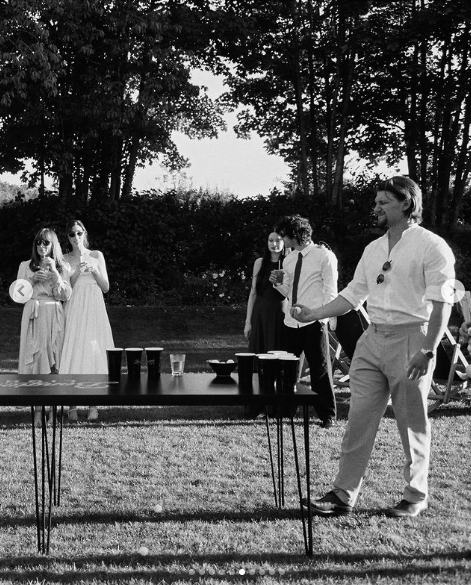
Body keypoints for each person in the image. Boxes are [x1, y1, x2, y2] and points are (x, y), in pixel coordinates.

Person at [292, 176, 455, 517]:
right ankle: (342, 495)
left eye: (384, 202)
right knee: (359, 420)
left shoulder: (432, 246)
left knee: (411, 421)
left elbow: (442, 305)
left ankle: (414, 496)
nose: (376, 207)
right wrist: (315, 313)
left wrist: (427, 351)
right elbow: (353, 295)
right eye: (377, 201)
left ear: (406, 204)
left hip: (412, 339)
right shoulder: (373, 248)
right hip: (372, 339)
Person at [270, 215, 338, 428]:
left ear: (294, 234)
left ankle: (327, 415)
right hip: (291, 322)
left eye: (284, 235)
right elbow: (287, 291)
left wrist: (322, 318)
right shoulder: (289, 259)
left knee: (320, 369)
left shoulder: (324, 256)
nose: (282, 239)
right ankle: (287, 411)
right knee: (287, 369)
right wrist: (277, 283)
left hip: (314, 322)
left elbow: (331, 291)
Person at [60, 220, 115, 421]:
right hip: (74, 307)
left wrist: (94, 270)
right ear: (67, 238)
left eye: (79, 233)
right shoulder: (64, 259)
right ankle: (72, 405)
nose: (76, 238)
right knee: (74, 349)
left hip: (94, 307)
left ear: (85, 233)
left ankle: (93, 403)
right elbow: (64, 291)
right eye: (72, 234)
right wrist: (76, 273)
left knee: (94, 350)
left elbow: (106, 287)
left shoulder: (96, 255)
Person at [17, 228, 72, 426]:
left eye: (46, 243)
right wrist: (32, 280)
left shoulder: (63, 266)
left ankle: (52, 411)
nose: (42, 247)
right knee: (36, 360)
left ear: (53, 245)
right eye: (39, 243)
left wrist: (55, 274)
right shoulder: (25, 266)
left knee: (54, 358)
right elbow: (17, 296)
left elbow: (66, 296)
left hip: (54, 314)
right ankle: (38, 411)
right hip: (33, 313)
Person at [244, 231, 287, 354]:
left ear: (284, 242)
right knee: (257, 352)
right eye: (271, 240)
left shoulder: (289, 263)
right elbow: (253, 293)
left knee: (277, 352)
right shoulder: (259, 263)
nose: (274, 244)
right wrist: (248, 322)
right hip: (260, 312)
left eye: (278, 240)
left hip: (280, 314)